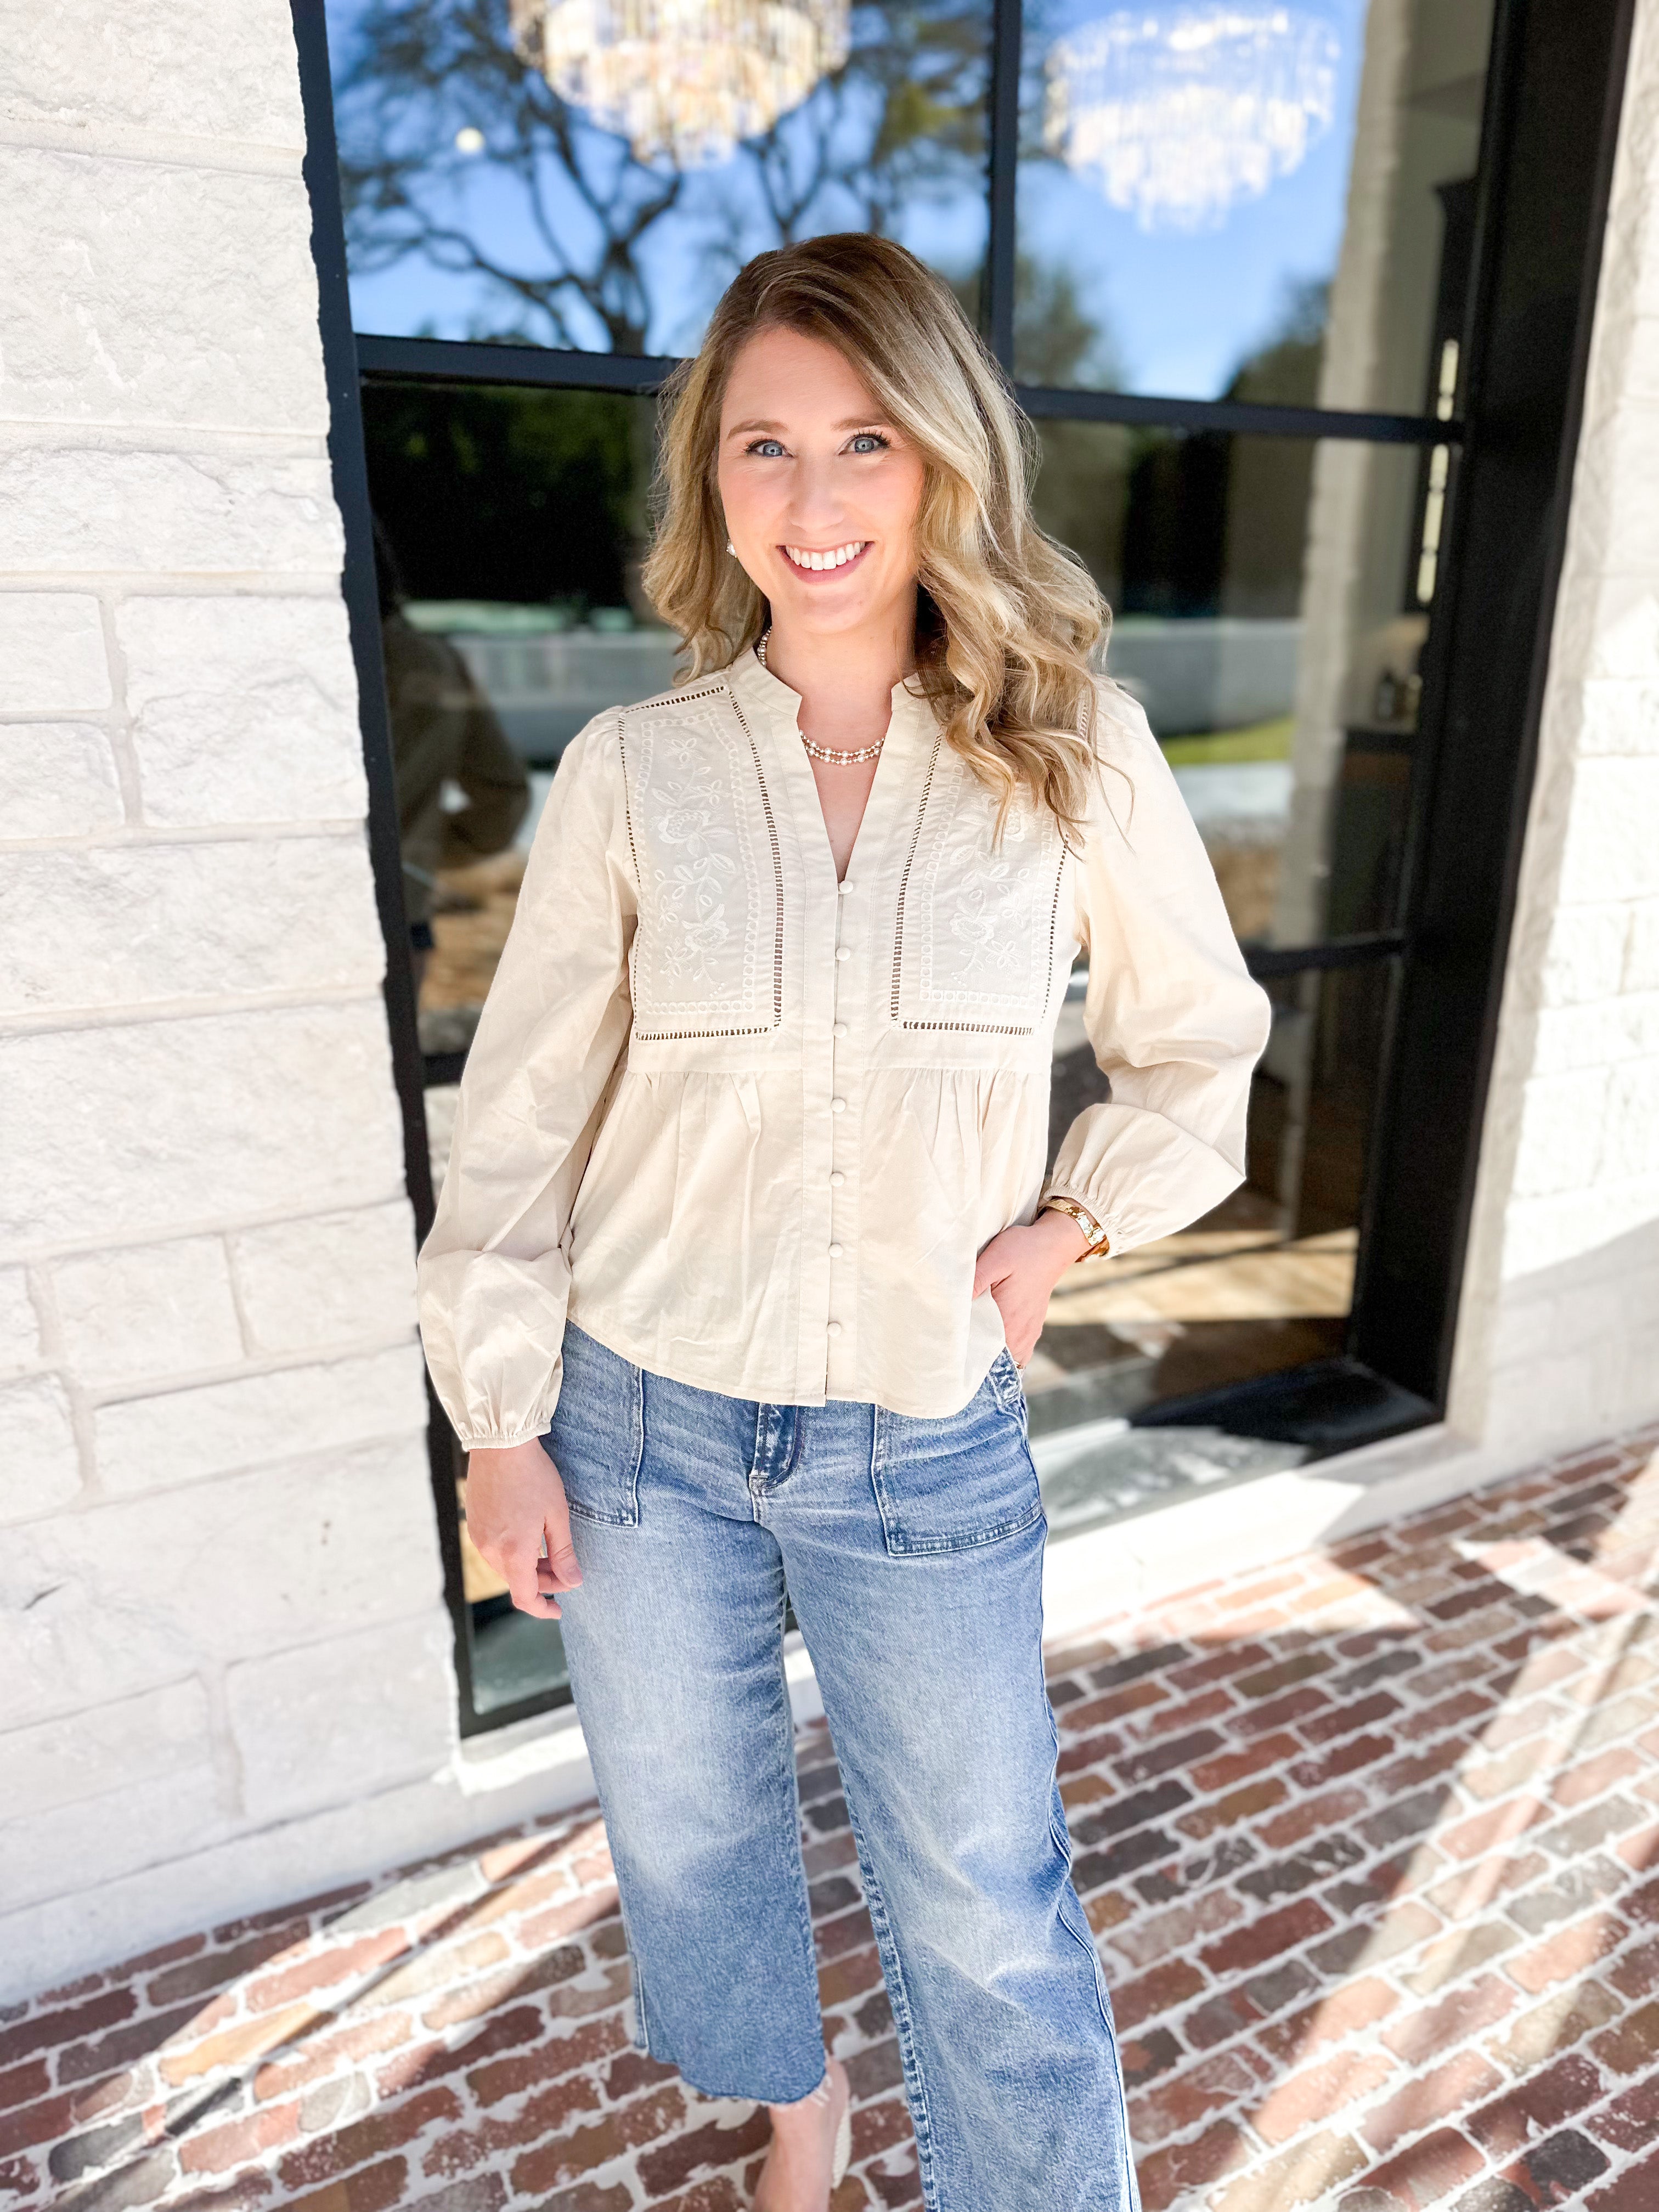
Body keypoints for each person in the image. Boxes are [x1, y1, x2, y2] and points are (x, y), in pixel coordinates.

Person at [415, 234, 1271, 2212]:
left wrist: (1071, 1225)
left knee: (987, 1903)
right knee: (695, 1843)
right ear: (708, 485)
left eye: (863, 441)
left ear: (942, 460)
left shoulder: (1069, 756)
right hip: (635, 1436)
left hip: (919, 1428)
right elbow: (522, 1120)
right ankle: (788, 2124)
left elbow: (1195, 1045)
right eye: (760, 449)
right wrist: (497, 1419)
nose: (812, 503)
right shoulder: (630, 774)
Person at [371, 515, 531, 997]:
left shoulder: (307, 661)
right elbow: (502, 797)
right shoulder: (427, 661)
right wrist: (414, 850)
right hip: (404, 912)